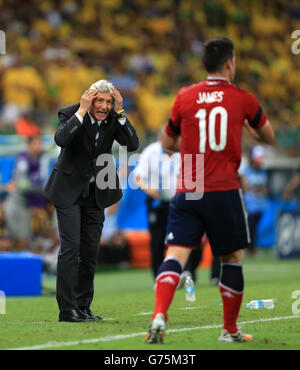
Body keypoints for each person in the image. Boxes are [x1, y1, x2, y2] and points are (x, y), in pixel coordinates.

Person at [145, 37, 274, 344]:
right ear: (230, 63)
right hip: (223, 188)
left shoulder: (185, 96)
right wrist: (241, 129)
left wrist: (191, 145)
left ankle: (159, 315)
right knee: (231, 259)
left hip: (189, 188)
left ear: (204, 64)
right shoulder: (242, 98)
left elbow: (165, 143)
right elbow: (267, 136)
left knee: (175, 254)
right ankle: (229, 329)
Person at [43, 79, 139, 323]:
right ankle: (67, 310)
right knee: (70, 247)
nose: (104, 106)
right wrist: (82, 111)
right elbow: (61, 140)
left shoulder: (113, 119)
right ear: (89, 98)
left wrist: (121, 110)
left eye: (108, 102)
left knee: (89, 251)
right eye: (100, 101)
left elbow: (132, 144)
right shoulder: (70, 113)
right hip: (68, 191)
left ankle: (83, 306)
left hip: (97, 193)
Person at [134, 131, 202, 282]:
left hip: (179, 201)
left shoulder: (184, 151)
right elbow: (138, 176)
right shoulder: (151, 152)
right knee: (158, 239)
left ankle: (188, 272)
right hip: (157, 202)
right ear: (162, 138)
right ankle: (159, 276)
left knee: (185, 236)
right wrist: (150, 190)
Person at [3, 135, 49, 251]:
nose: (40, 146)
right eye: (37, 143)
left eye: (41, 143)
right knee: (18, 241)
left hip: (25, 205)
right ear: (29, 145)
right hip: (16, 204)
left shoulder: (37, 161)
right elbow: (21, 185)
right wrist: (43, 188)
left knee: (24, 240)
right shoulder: (23, 160)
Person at [239, 145, 269, 255]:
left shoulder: (263, 171)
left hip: (260, 205)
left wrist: (257, 189)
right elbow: (246, 187)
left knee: (255, 229)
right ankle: (249, 249)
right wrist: (258, 189)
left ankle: (252, 249)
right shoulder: (246, 170)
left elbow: (265, 188)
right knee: (249, 228)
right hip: (249, 205)